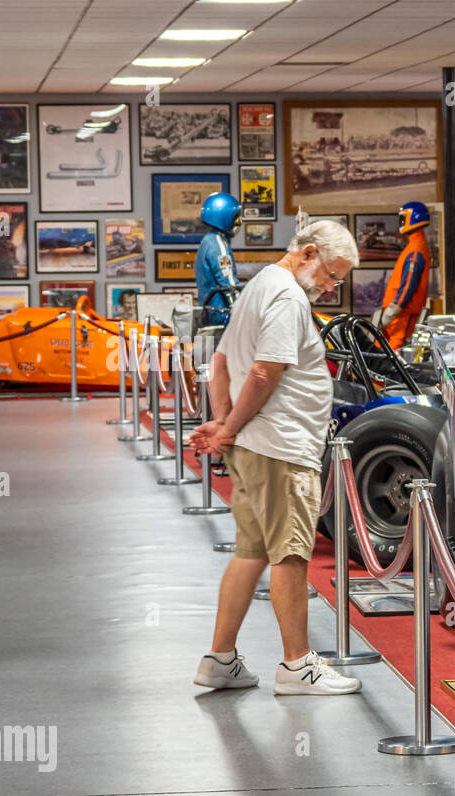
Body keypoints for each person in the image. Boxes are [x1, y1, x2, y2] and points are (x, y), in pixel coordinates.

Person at [188, 221, 363, 696]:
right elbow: (264, 373)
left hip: (255, 447)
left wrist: (225, 423)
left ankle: (220, 660)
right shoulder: (288, 297)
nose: (331, 287)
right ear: (309, 253)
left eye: (338, 281)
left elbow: (221, 362)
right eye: (331, 275)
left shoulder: (260, 284)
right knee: (290, 553)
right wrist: (226, 428)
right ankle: (298, 666)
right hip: (281, 448)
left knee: (252, 551)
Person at [374, 201, 431, 349]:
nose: (401, 222)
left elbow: (408, 285)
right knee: (386, 351)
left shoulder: (416, 250)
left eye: (403, 218)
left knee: (396, 352)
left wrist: (393, 310)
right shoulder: (415, 246)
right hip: (398, 315)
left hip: (402, 315)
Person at [195, 192, 242, 326]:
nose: (239, 222)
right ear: (224, 217)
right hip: (222, 317)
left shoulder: (208, 241)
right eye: (236, 217)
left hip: (211, 315)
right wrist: (244, 312)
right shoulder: (218, 244)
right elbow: (228, 284)